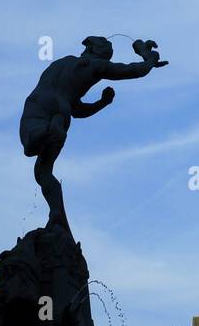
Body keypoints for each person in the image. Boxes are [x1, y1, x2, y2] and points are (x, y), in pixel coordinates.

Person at [19, 36, 167, 231]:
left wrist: (101, 103)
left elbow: (76, 108)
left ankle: (56, 213)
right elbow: (134, 70)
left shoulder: (61, 63)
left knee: (36, 160)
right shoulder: (95, 65)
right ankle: (50, 131)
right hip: (61, 112)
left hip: (36, 104)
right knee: (44, 170)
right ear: (98, 52)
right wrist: (149, 59)